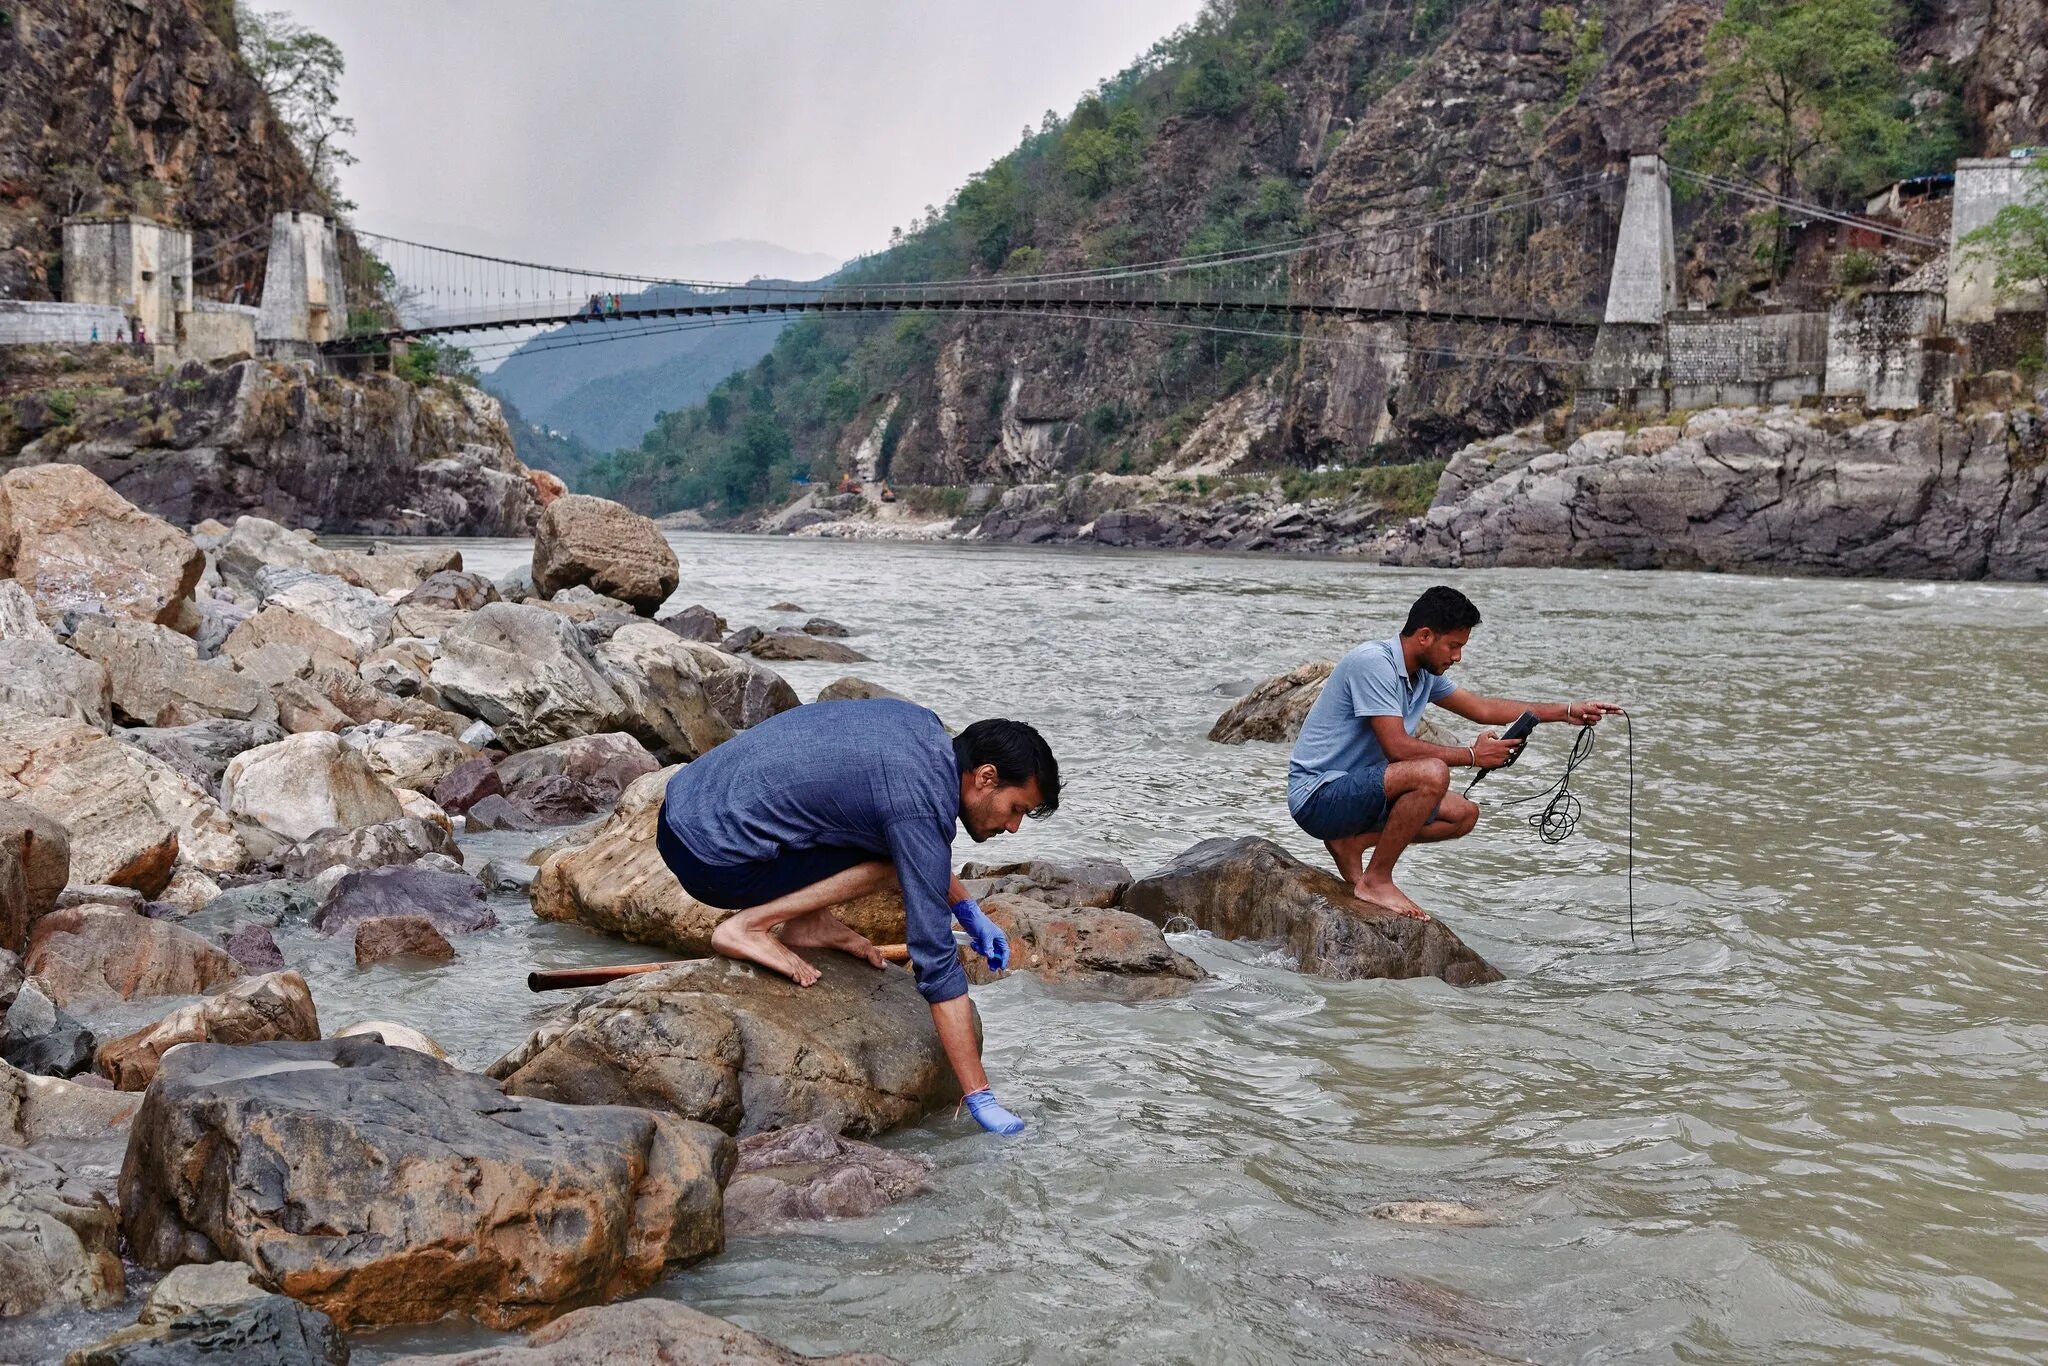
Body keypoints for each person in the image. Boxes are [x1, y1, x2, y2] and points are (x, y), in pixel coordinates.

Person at [658, 698, 1059, 1135]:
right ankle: (748, 926)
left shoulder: (924, 734)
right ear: (986, 777)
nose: (1014, 827)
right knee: (893, 863)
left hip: (685, 804)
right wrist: (979, 1095)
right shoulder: (919, 802)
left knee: (889, 837)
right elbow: (934, 957)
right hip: (711, 857)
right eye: (1017, 809)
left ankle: (809, 921)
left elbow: (912, 833)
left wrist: (968, 910)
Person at [1287, 585, 1623, 921]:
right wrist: (1474, 756)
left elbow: (1483, 708)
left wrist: (1566, 711)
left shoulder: (1423, 676)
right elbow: (1397, 746)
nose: (1457, 657)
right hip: (1319, 796)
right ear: (1425, 636)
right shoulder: (1374, 663)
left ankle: (1352, 843)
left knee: (1464, 814)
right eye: (1454, 646)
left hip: (1359, 791)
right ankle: (1376, 881)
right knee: (1432, 772)